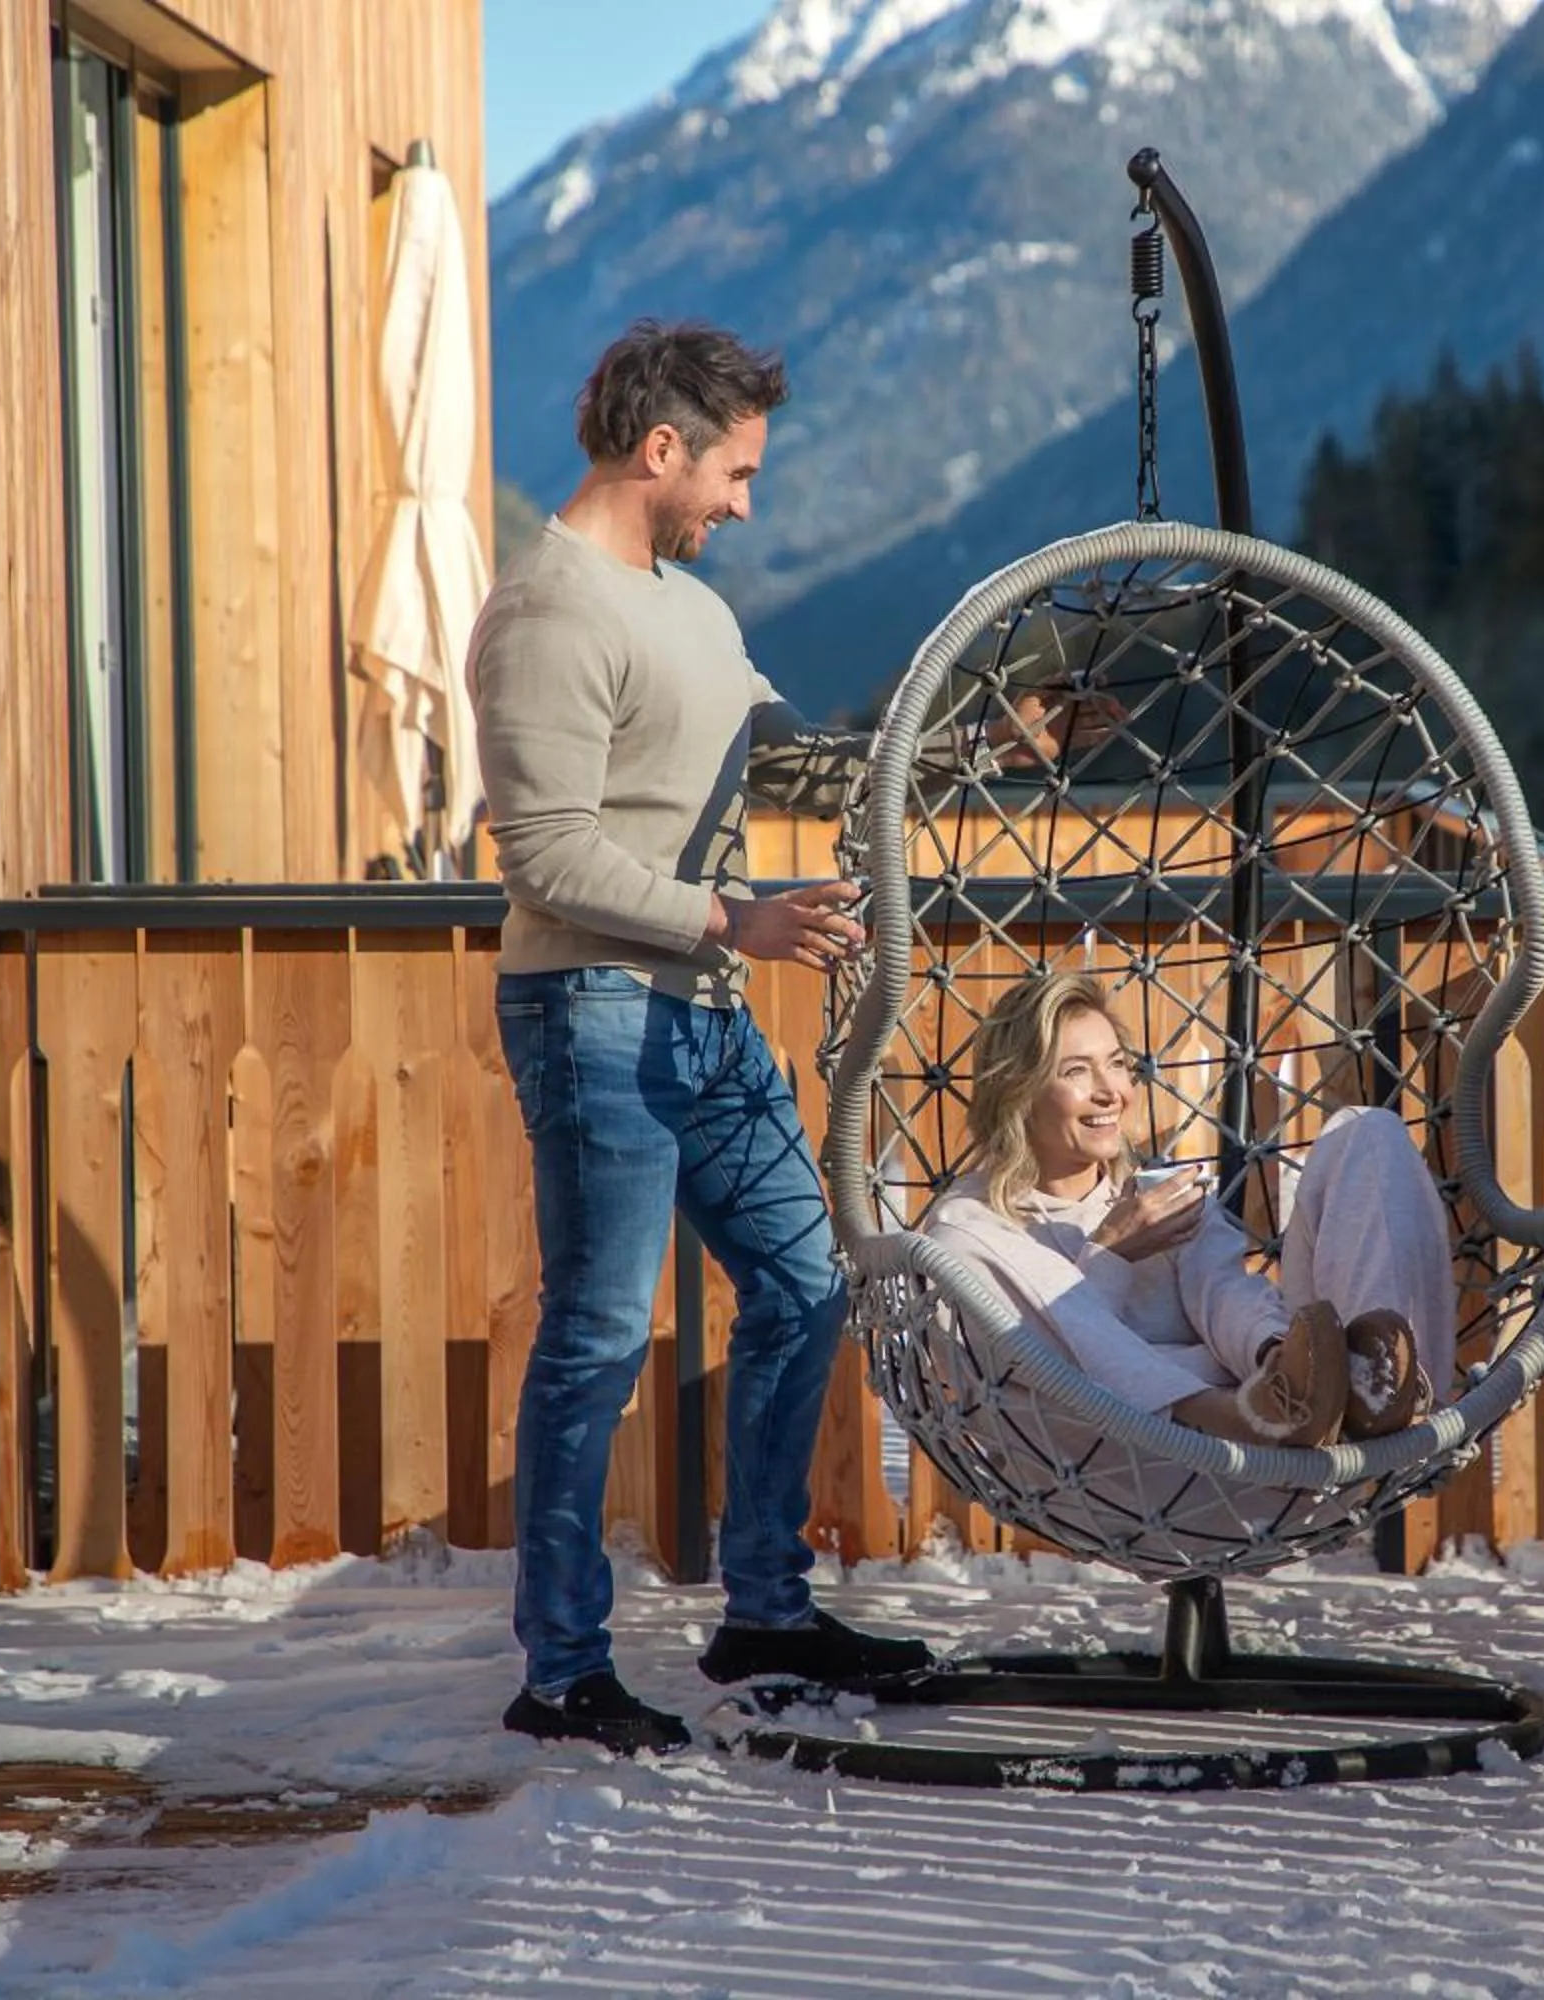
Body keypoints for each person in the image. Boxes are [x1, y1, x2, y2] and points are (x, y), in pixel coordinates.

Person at [471, 320, 1104, 1755]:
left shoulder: (690, 613)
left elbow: (807, 761)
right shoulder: (549, 615)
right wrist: (731, 922)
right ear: (660, 451)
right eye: (736, 474)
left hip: (702, 1017)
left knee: (806, 1284)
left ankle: (761, 1605)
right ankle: (561, 1669)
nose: (745, 504)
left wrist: (983, 744)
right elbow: (547, 858)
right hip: (595, 1014)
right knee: (598, 1337)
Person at [919, 971, 1453, 1449]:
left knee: (1370, 1132)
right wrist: (1106, 1255)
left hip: (1277, 1417)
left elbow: (1225, 1292)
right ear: (1018, 1091)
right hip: (1137, 1460)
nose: (1111, 1092)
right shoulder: (975, 1229)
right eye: (1077, 1071)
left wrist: (1278, 1357)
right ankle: (1257, 1411)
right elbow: (1046, 1374)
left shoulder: (1152, 1194)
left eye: (1117, 1065)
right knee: (964, 1252)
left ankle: (1371, 1394)